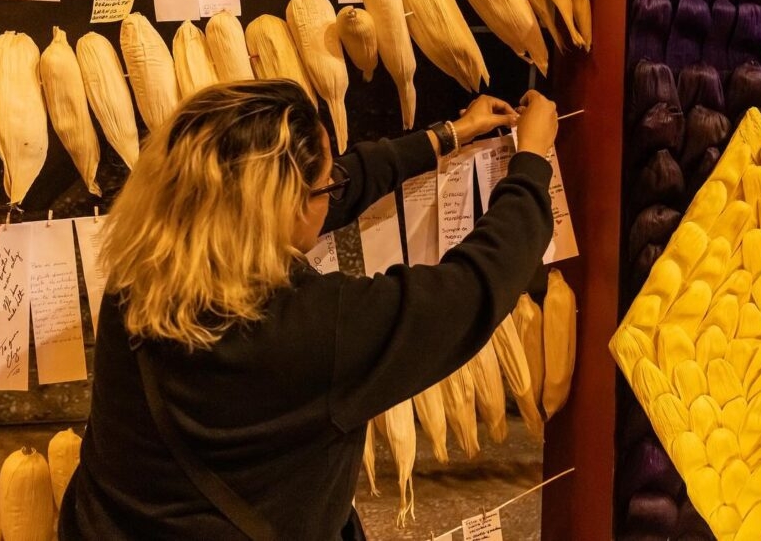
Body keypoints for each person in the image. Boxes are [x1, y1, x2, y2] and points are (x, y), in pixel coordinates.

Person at [58, 79, 559, 540]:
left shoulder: (144, 265)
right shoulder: (311, 329)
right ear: (284, 204)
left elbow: (329, 189)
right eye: (324, 185)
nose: (334, 192)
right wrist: (532, 162)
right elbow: (471, 289)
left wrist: (451, 134)